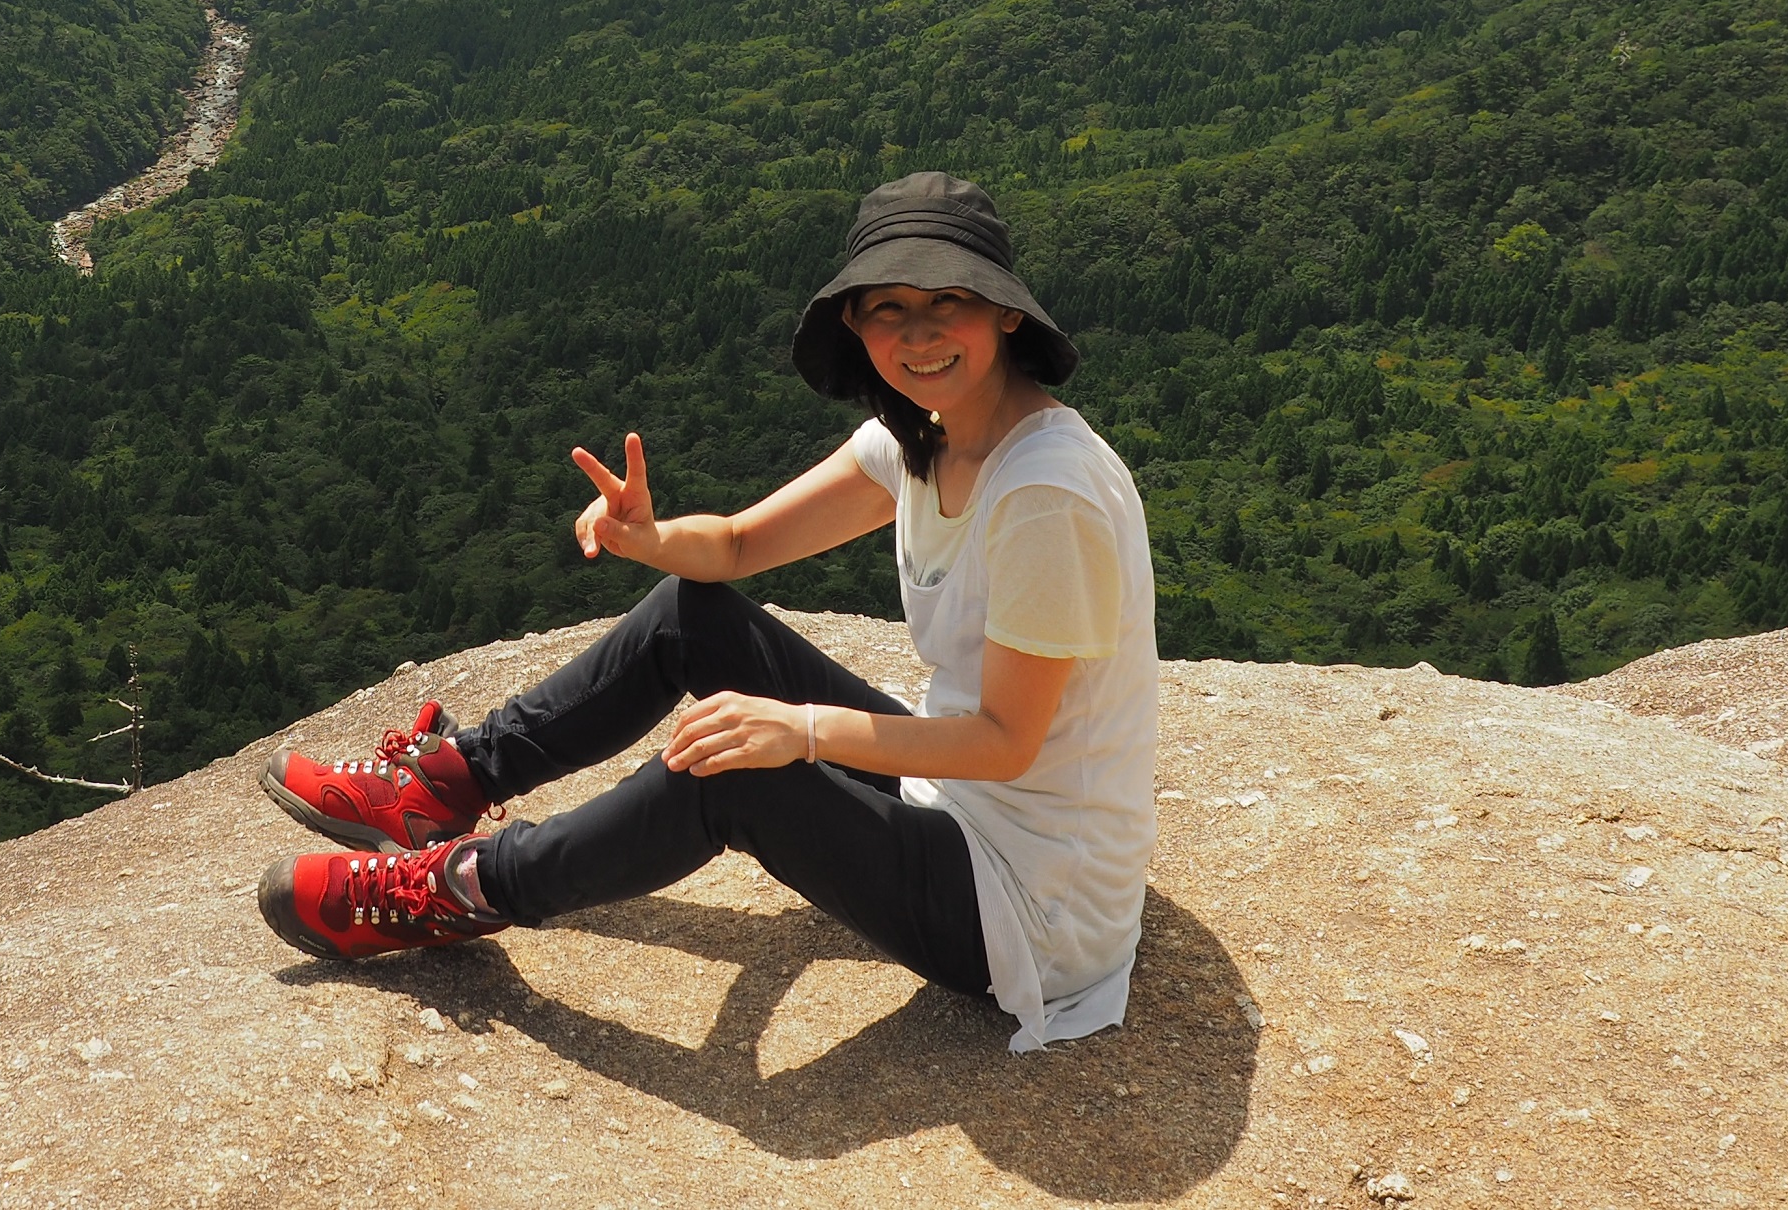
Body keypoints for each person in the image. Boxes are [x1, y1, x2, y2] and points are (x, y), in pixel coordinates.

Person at [255, 171, 1159, 1051]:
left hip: (1030, 906)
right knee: (695, 613)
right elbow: (731, 548)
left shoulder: (1046, 495)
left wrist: (801, 730)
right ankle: (442, 788)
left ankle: (461, 889)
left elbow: (1008, 741)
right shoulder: (919, 439)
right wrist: (648, 536)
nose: (918, 335)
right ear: (855, 322)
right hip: (963, 804)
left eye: (945, 302)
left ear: (1006, 311)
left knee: (737, 768)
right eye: (889, 308)